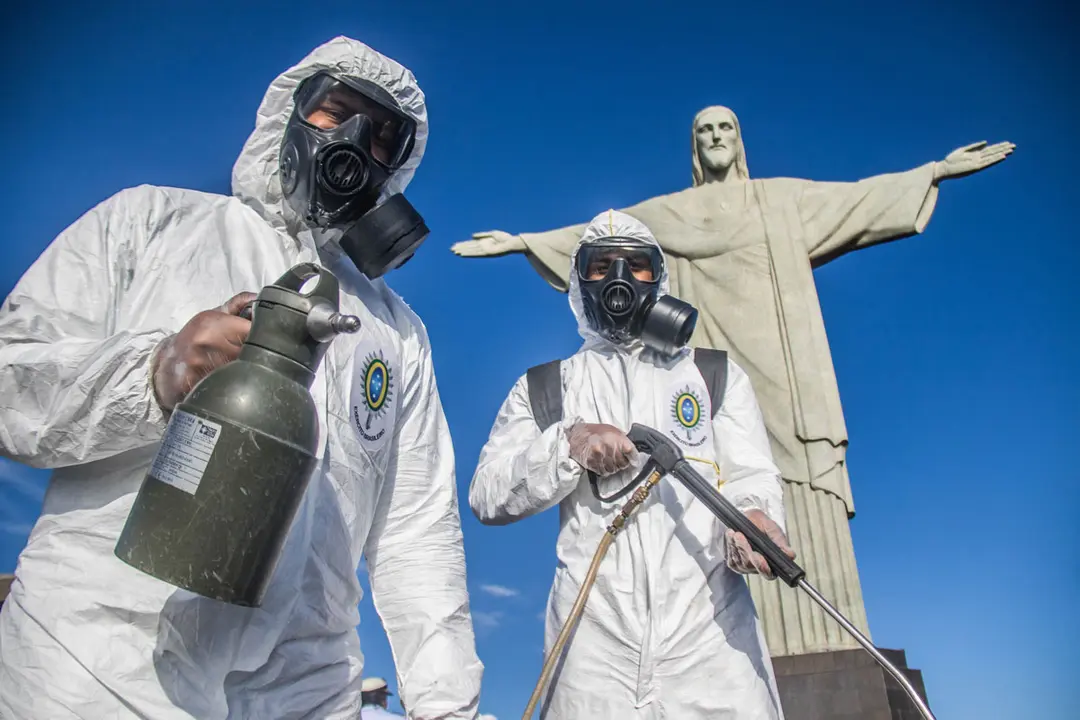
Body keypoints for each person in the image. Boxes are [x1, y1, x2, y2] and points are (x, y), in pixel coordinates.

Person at [0, 36, 483, 719]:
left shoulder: (395, 333)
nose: (352, 143)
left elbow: (416, 532)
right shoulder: (148, 225)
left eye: (380, 139)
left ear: (395, 173)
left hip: (303, 688)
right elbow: (8, 384)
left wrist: (446, 705)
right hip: (95, 663)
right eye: (334, 113)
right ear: (288, 116)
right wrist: (154, 373)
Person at [469, 209, 793, 718]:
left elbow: (752, 473)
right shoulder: (547, 387)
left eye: (636, 265)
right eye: (601, 266)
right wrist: (567, 444)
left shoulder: (712, 375)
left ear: (657, 278)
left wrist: (752, 516)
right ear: (580, 281)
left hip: (711, 637)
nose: (619, 278)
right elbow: (487, 495)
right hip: (592, 646)